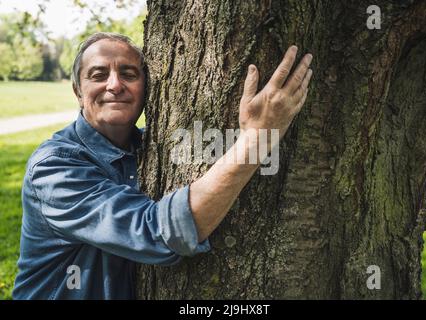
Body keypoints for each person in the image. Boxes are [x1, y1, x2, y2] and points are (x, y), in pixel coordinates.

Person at [12, 32, 313, 299]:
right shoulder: (54, 168)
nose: (114, 85)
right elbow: (158, 234)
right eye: (98, 74)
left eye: (129, 74)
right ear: (78, 91)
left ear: (147, 89)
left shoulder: (149, 149)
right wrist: (257, 137)